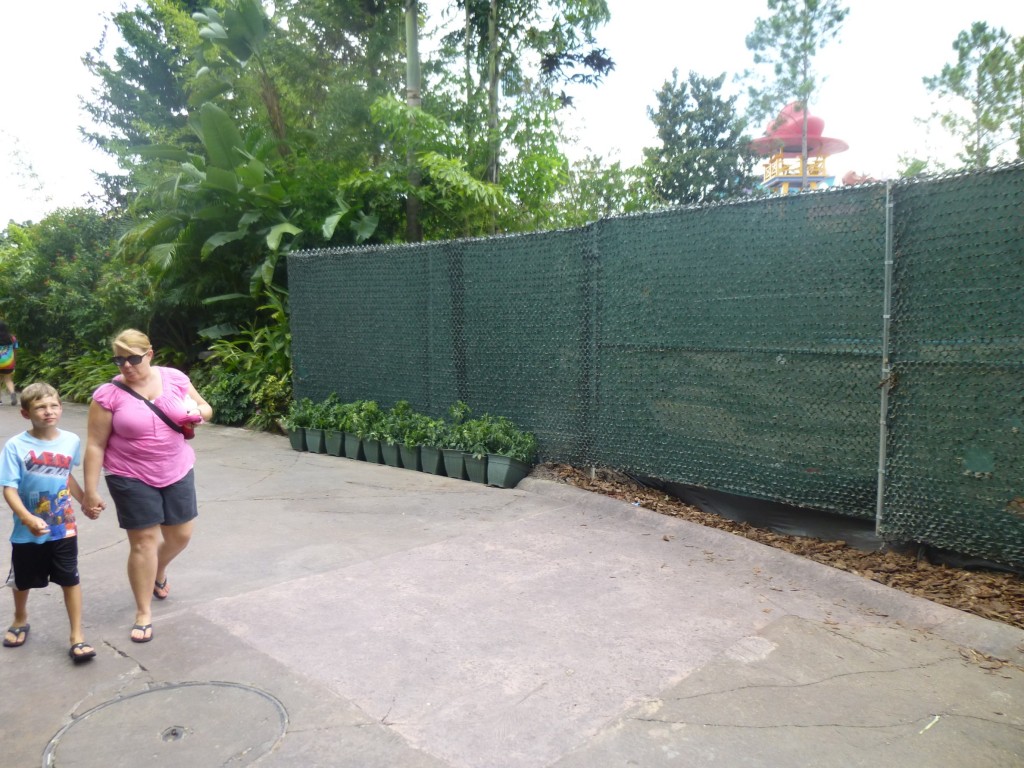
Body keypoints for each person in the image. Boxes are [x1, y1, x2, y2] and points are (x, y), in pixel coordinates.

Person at [83, 329, 212, 643]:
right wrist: (90, 490)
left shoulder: (175, 379)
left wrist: (197, 414)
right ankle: (143, 612)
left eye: (133, 358)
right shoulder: (107, 395)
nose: (126, 366)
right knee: (143, 542)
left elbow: (204, 407)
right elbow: (95, 445)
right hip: (130, 474)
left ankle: (158, 569)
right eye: (119, 359)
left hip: (177, 467)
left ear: (149, 354)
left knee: (180, 535)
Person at [1, 382, 98, 663]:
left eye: (53, 405)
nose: (48, 412)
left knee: (70, 578)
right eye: (40, 407)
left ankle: (77, 635)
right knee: (22, 579)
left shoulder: (70, 441)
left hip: (63, 526)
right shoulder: (15, 446)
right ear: (25, 413)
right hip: (27, 530)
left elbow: (66, 476)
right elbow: (8, 487)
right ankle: (20, 618)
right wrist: (27, 517)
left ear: (61, 408)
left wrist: (85, 501)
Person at [0, 321, 19, 406]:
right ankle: (12, 393)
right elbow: (15, 350)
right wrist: (14, 361)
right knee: (8, 380)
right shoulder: (12, 338)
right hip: (8, 363)